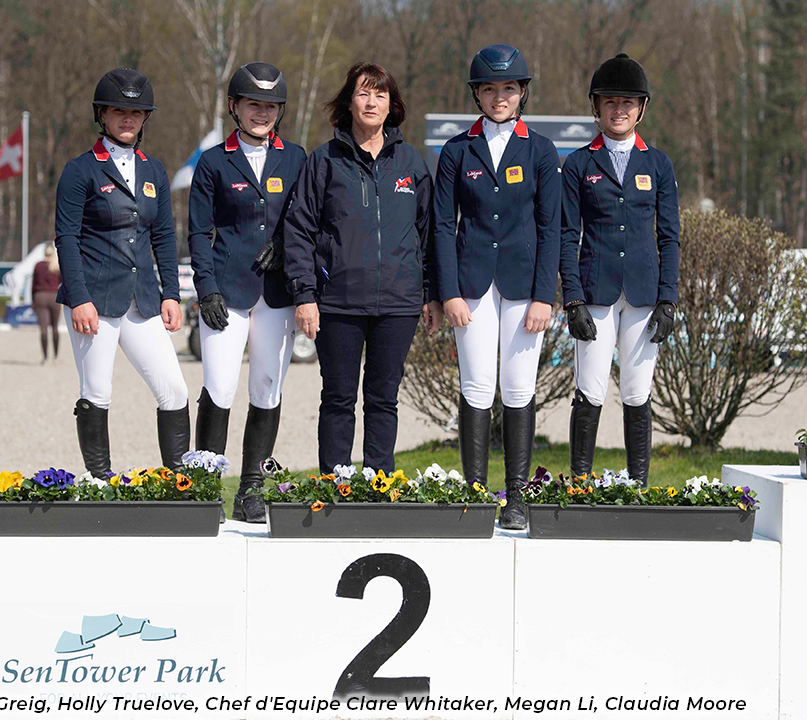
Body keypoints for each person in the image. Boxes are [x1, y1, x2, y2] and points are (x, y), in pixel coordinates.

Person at [284, 62, 442, 475]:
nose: (372, 102)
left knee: (383, 398)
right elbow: (299, 229)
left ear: (392, 105)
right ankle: (336, 486)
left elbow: (429, 234)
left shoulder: (411, 163)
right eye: (363, 93)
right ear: (349, 102)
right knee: (338, 397)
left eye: (381, 94)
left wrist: (432, 293)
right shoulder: (323, 161)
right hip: (337, 302)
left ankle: (378, 485)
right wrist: (305, 295)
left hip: (399, 303)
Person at [433, 44, 561, 530]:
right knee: (477, 386)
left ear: (522, 92)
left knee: (518, 387)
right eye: (490, 89)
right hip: (471, 286)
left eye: (509, 88)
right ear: (478, 94)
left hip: (525, 287)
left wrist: (544, 295)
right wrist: (448, 294)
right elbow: (443, 226)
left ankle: (517, 500)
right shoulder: (456, 150)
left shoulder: (541, 150)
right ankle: (475, 496)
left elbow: (552, 226)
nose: (500, 96)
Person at [54, 67, 189, 479]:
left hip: (142, 298)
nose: (127, 119)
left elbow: (164, 236)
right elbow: (66, 238)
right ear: (103, 115)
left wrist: (171, 293)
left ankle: (181, 484)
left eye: (136, 112)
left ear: (145, 118)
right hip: (93, 299)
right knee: (97, 391)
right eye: (118, 111)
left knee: (175, 390)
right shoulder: (80, 170)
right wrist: (79, 298)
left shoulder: (154, 171)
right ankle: (100, 482)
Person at [188, 62, 307, 522]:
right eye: (254, 104)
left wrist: (284, 245)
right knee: (218, 386)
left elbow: (307, 218)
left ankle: (252, 489)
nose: (262, 113)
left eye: (270, 106)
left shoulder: (296, 158)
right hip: (226, 291)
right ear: (235, 107)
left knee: (267, 387)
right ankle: (204, 485)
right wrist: (206, 287)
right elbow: (198, 232)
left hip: (277, 293)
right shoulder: (214, 161)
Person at [559, 53, 680, 487]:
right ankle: (579, 483)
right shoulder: (577, 165)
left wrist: (669, 298)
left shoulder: (659, 164)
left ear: (641, 108)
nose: (619, 110)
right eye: (610, 101)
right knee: (590, 388)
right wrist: (571, 298)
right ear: (596, 107)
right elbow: (566, 235)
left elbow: (669, 236)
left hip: (645, 295)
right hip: (595, 293)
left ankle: (638, 486)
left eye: (628, 102)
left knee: (637, 391)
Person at [32, 244, 63, 364]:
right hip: (53, 296)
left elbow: (34, 284)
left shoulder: (38, 266)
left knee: (43, 329)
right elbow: (61, 281)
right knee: (55, 327)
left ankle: (45, 357)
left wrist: (33, 301)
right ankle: (55, 356)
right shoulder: (56, 266)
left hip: (40, 296)